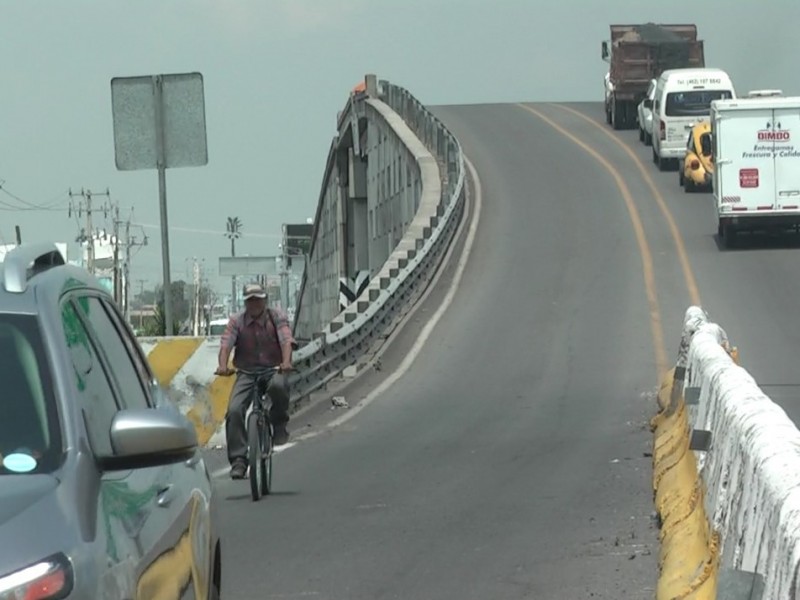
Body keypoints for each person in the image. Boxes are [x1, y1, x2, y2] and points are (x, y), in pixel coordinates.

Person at [215, 282, 295, 479]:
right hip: (246, 371)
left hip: (272, 369)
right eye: (250, 301)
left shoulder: (276, 317)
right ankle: (239, 460)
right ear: (245, 303)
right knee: (234, 410)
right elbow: (226, 344)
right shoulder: (237, 321)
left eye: (258, 300)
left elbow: (286, 341)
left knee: (278, 386)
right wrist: (223, 366)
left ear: (265, 300)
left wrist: (286, 363)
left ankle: (278, 422)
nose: (254, 304)